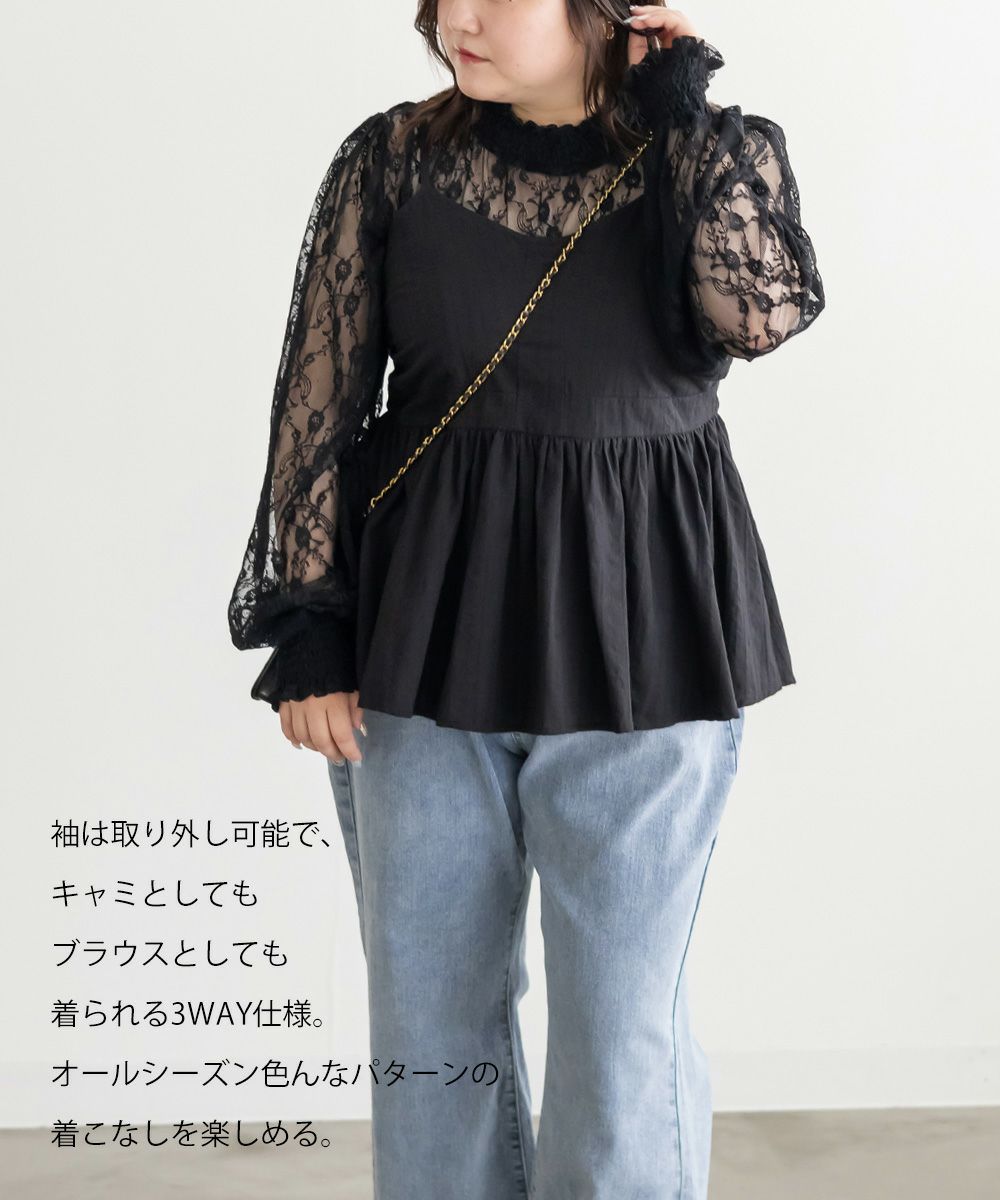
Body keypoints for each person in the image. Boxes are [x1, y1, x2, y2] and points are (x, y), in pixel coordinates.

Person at [227, 2, 825, 1196]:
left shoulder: (713, 151)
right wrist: (309, 624)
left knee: (618, 1032)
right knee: (427, 1025)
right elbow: (319, 401)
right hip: (421, 638)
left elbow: (760, 317)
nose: (459, 17)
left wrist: (676, 111)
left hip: (645, 636)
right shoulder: (393, 160)